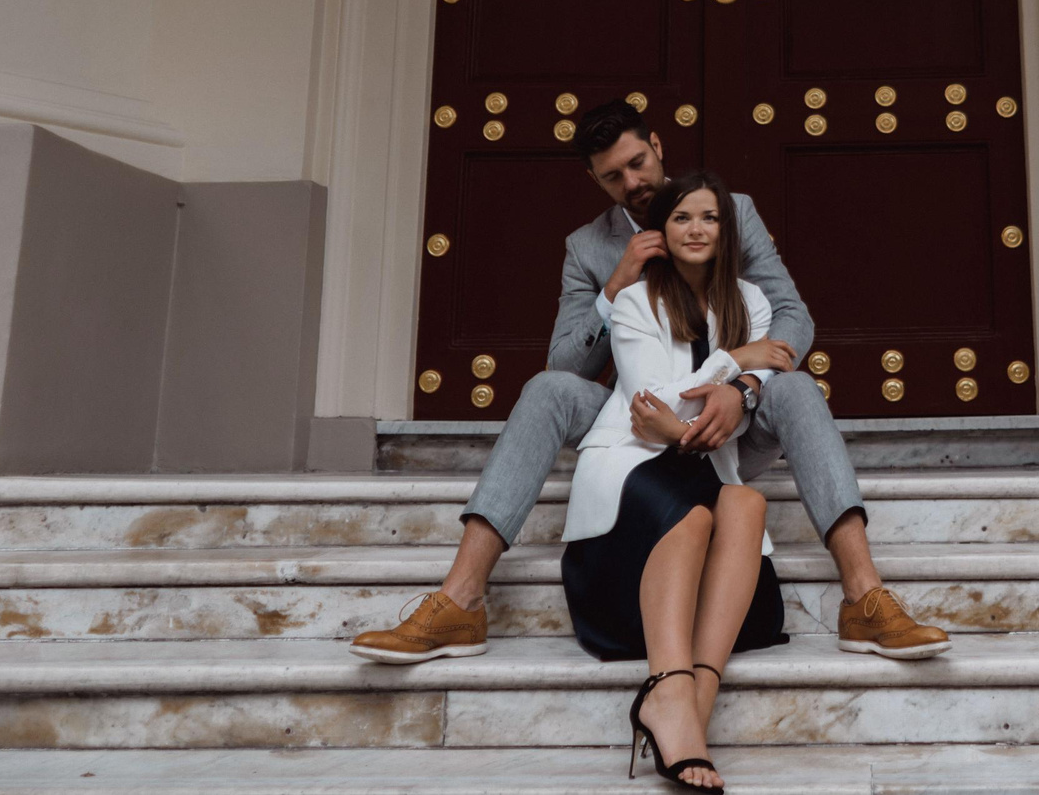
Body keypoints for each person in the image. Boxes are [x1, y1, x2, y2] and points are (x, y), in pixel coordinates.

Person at [350, 98, 949, 667]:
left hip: (734, 421)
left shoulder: (729, 210)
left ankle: (863, 598)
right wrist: (613, 288)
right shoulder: (588, 247)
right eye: (613, 176)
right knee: (545, 390)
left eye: (638, 162)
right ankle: (461, 600)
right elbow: (567, 364)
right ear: (597, 181)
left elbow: (793, 319)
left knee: (796, 388)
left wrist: (741, 386)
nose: (632, 181)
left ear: (658, 146)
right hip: (637, 421)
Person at [566, 170, 783, 787]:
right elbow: (647, 405)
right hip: (627, 467)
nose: (696, 229)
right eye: (683, 217)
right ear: (663, 230)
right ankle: (668, 684)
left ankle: (688, 705)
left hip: (699, 462)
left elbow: (721, 424)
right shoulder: (636, 300)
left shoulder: (753, 302)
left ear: (726, 229)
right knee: (691, 515)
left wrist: (706, 411)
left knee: (743, 502)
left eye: (709, 217)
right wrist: (737, 363)